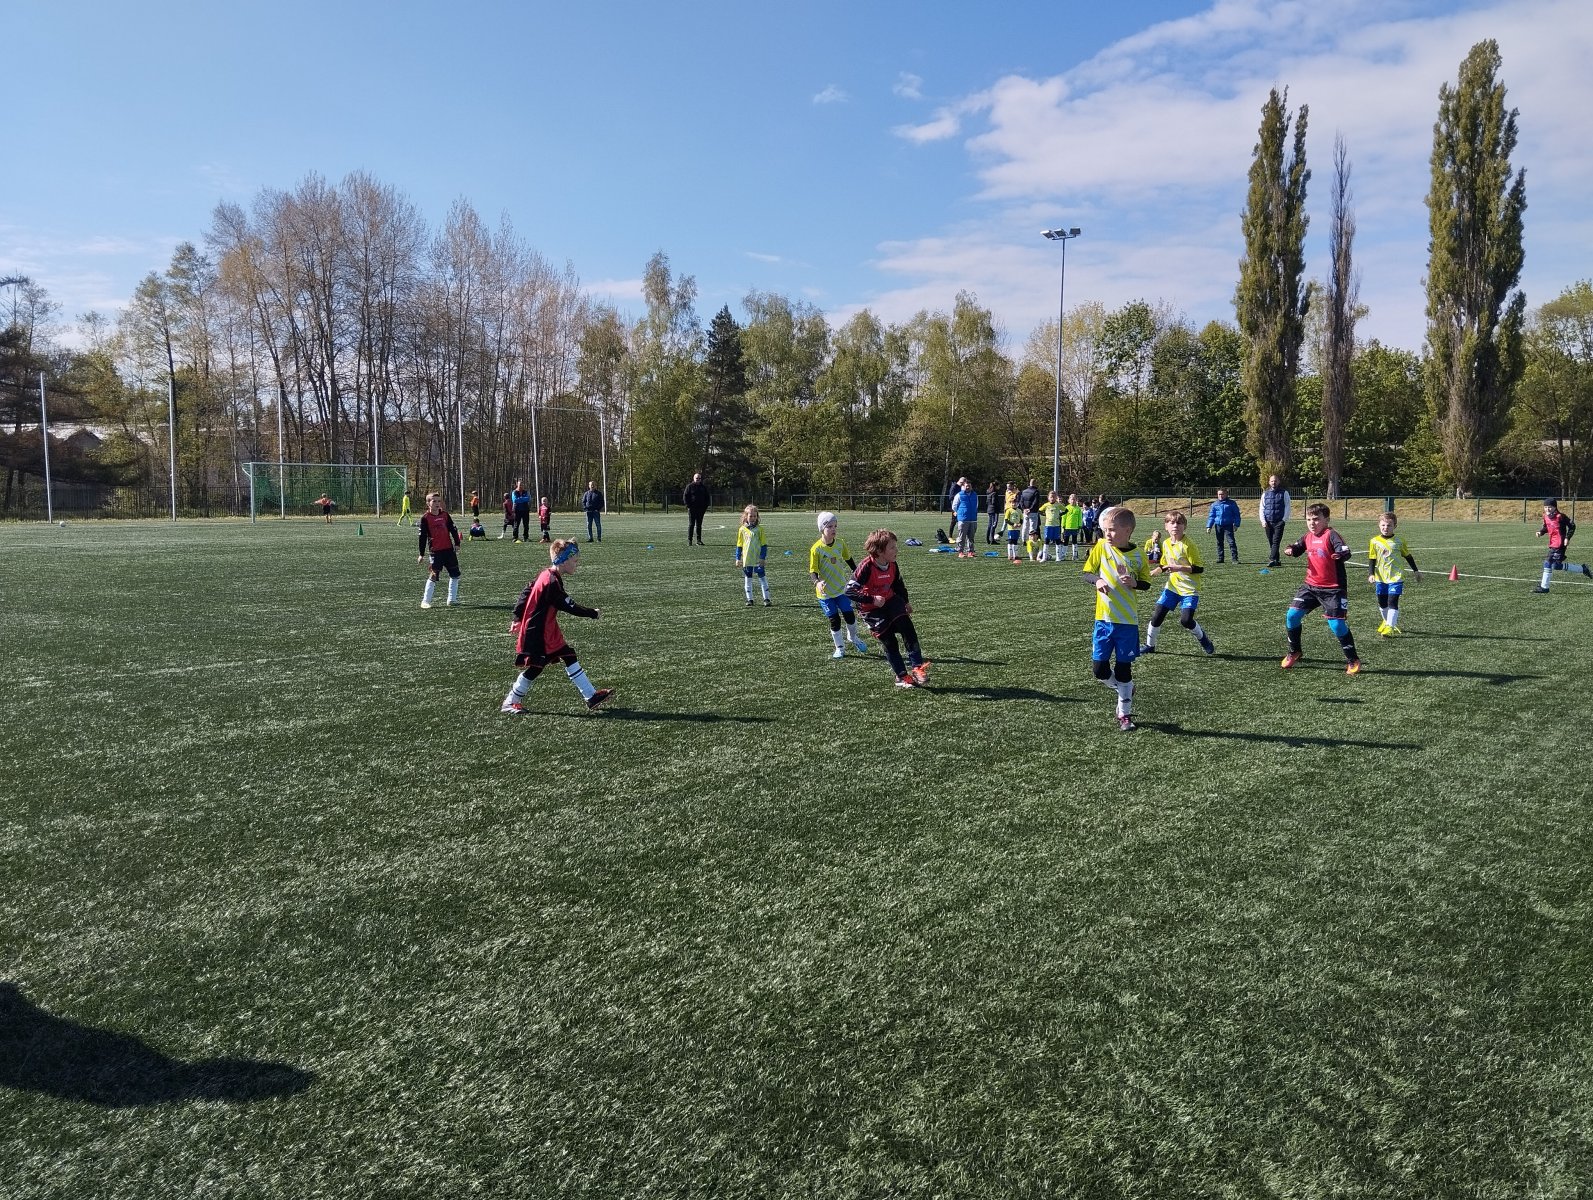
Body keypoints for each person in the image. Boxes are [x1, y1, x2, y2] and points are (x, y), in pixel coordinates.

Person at [500, 539, 614, 715]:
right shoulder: (551, 582)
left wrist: (517, 617)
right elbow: (570, 606)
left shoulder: (546, 574)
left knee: (567, 655)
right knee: (537, 667)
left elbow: (527, 590)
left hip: (546, 630)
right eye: (575, 560)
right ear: (564, 560)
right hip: (538, 633)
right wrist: (593, 613)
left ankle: (591, 696)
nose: (577, 564)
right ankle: (510, 701)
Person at [1081, 505, 1152, 731]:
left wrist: (1134, 583)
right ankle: (1125, 689)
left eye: (1112, 530)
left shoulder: (1139, 555)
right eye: (1105, 530)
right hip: (1103, 620)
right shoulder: (1101, 547)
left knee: (1123, 670)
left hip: (1127, 622)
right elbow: (1087, 573)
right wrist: (1098, 580)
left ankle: (1124, 713)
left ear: (1127, 530)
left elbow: (1146, 583)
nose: (1107, 534)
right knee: (1099, 670)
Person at [1280, 503, 1361, 674]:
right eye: (1309, 519)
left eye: (1316, 519)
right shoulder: (1308, 536)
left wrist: (1340, 554)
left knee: (1337, 625)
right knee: (1292, 616)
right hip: (1310, 587)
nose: (1312, 523)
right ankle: (1294, 651)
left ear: (1327, 520)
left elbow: (1345, 551)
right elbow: (1297, 548)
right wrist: (1290, 549)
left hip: (1333, 589)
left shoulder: (1331, 535)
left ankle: (1352, 659)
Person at [847, 528, 930, 688]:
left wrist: (906, 602)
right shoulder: (866, 566)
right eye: (892, 547)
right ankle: (902, 676)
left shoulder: (892, 564)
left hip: (891, 601)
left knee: (907, 628)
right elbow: (849, 590)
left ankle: (917, 668)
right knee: (889, 641)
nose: (896, 550)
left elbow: (898, 585)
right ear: (879, 551)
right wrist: (872, 599)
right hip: (871, 609)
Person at [1144, 511, 1215, 656]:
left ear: (1184, 526)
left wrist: (1178, 568)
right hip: (1172, 588)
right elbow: (1165, 564)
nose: (1175, 525)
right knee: (1157, 617)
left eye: (1179, 523)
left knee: (1186, 620)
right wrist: (1155, 571)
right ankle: (1150, 645)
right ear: (1166, 526)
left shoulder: (1189, 545)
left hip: (1189, 589)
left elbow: (1199, 568)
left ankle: (1204, 639)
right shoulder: (1166, 543)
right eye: (1172, 523)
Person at [810, 511, 870, 658]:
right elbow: (813, 571)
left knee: (850, 616)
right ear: (821, 528)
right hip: (825, 594)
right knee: (834, 620)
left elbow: (849, 560)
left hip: (841, 589)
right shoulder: (816, 549)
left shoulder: (840, 543)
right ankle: (840, 648)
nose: (833, 529)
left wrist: (858, 575)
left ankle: (853, 637)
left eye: (835, 526)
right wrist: (817, 583)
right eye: (829, 526)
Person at [1367, 511, 1421, 634]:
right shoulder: (1374, 541)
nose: (1386, 528)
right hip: (1381, 577)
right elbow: (1372, 558)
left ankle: (1390, 627)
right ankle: (1387, 622)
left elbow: (1408, 556)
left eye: (1389, 525)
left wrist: (1416, 571)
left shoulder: (1399, 541)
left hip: (1396, 576)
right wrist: (1371, 574)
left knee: (1392, 601)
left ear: (1395, 526)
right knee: (1382, 603)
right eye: (1383, 525)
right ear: (1379, 525)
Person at [1532, 498, 1590, 593]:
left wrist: (1567, 537)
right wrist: (1540, 532)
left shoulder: (1561, 517)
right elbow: (1546, 527)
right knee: (1556, 566)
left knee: (1548, 562)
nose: (1547, 509)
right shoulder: (1545, 516)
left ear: (1555, 507)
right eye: (1545, 507)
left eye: (1550, 507)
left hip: (1560, 544)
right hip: (1553, 543)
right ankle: (1583, 569)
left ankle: (1544, 587)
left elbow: (1572, 526)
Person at [416, 492, 462, 610]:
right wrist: (421, 554)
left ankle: (452, 599)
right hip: (436, 552)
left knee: (455, 574)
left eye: (439, 501)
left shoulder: (445, 515)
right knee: (434, 575)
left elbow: (453, 529)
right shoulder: (425, 518)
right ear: (428, 503)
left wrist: (457, 543)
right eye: (434, 501)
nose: (437, 503)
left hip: (449, 550)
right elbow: (422, 537)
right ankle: (425, 601)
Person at [735, 504, 771, 606]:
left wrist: (762, 558)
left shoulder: (760, 529)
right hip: (747, 559)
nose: (753, 518)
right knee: (748, 578)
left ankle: (766, 599)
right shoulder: (742, 529)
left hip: (757, 559)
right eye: (751, 516)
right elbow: (739, 545)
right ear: (746, 516)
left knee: (762, 578)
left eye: (755, 516)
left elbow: (763, 545)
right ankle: (749, 599)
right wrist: (737, 558)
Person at [1260, 473, 1292, 567]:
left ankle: (1272, 559)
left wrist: (1284, 520)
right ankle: (1277, 560)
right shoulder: (1265, 494)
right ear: (1269, 482)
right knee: (1271, 542)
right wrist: (1263, 521)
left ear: (1278, 482)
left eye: (1275, 481)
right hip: (1268, 522)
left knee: (1276, 541)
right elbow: (1262, 508)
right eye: (1272, 481)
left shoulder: (1284, 493)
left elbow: (1288, 507)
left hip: (1279, 522)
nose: (1273, 482)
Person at [1205, 487, 1241, 563]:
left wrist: (1236, 524)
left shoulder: (1232, 503)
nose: (1221, 496)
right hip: (1218, 525)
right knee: (1219, 542)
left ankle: (1235, 559)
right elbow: (1212, 516)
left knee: (1231, 542)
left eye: (1222, 494)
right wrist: (1209, 526)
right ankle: (1220, 558)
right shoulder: (1214, 504)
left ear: (1226, 494)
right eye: (1219, 494)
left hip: (1228, 525)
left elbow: (1236, 514)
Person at [952, 479, 980, 557]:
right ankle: (960, 552)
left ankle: (970, 551)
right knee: (962, 537)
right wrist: (959, 512)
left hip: (973, 519)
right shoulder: (959, 495)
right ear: (963, 486)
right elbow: (954, 506)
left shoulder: (975, 495)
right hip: (963, 519)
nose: (968, 487)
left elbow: (977, 505)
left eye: (969, 486)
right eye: (966, 486)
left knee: (971, 537)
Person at [684, 472, 710, 546]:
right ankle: (690, 540)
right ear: (694, 478)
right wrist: (688, 506)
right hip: (692, 509)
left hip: (701, 509)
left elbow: (707, 497)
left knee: (699, 525)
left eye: (699, 478)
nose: (698, 479)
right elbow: (685, 496)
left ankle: (699, 540)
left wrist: (705, 507)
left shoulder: (703, 487)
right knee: (691, 524)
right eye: (697, 478)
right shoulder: (689, 486)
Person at [1039, 491, 1066, 563]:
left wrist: (1060, 515)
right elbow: (1039, 510)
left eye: (1054, 497)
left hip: (1056, 525)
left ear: (1056, 498)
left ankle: (1058, 557)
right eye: (1051, 497)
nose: (1052, 498)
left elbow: (1066, 510)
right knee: (1047, 540)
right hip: (1048, 525)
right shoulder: (1046, 505)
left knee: (1057, 540)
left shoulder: (1058, 505)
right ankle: (1044, 557)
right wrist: (1045, 514)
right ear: (1048, 498)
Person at [1061, 493, 1084, 560]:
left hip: (1075, 527)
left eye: (1074, 499)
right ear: (1069, 500)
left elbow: (1080, 517)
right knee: (1066, 541)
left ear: (1076, 500)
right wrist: (1063, 525)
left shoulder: (1078, 509)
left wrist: (1080, 525)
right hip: (1067, 527)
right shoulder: (1066, 508)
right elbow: (1064, 517)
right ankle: (1063, 555)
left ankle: (1075, 556)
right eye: (1072, 499)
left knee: (1074, 541)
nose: (1073, 501)